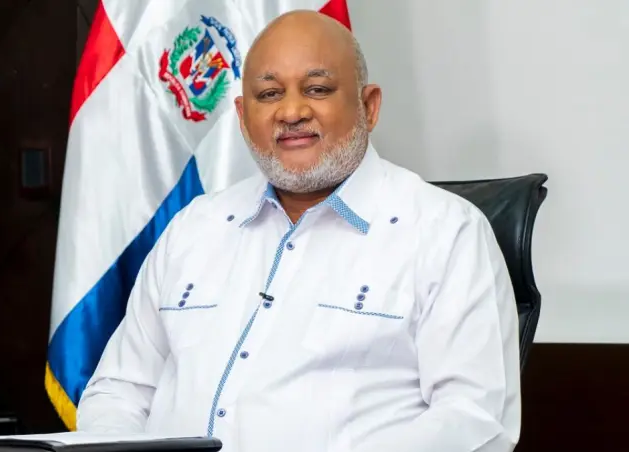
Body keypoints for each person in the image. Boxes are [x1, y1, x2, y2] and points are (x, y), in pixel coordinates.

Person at [76, 9, 520, 452]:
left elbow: (473, 422)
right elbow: (119, 391)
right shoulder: (194, 228)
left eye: (317, 89)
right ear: (243, 116)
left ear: (368, 107)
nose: (291, 111)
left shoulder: (446, 233)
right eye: (269, 94)